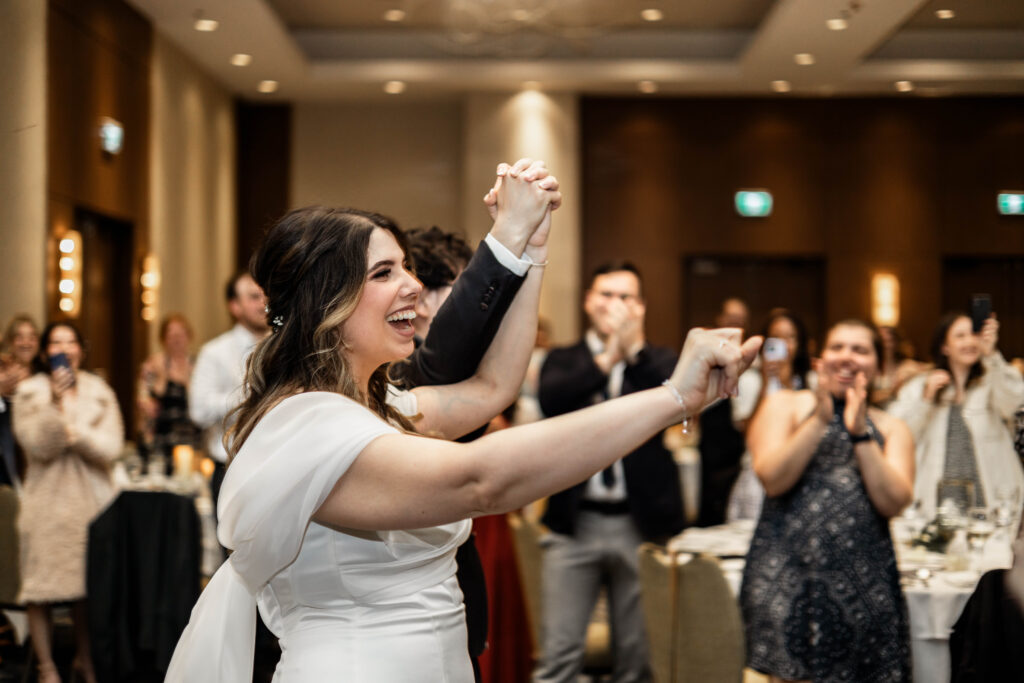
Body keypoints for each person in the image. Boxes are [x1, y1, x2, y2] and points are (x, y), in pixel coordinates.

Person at [166, 163, 761, 683]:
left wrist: (532, 250)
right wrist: (673, 397)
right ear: (328, 303)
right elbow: (482, 480)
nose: (414, 287)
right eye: (384, 273)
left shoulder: (377, 409)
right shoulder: (305, 424)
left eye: (406, 267)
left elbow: (491, 388)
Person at [392, 210, 548, 681]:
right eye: (460, 292)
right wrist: (513, 238)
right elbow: (470, 377)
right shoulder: (399, 374)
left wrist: (531, 253)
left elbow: (497, 388)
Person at [740, 320, 914, 682]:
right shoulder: (784, 405)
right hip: (786, 578)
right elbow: (772, 479)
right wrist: (819, 420)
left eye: (860, 350)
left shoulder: (892, 427)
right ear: (820, 361)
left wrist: (860, 434)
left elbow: (893, 502)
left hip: (864, 588)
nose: (847, 357)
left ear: (878, 366)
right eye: (837, 347)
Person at [534, 260, 682, 683]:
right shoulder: (563, 359)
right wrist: (608, 358)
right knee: (558, 655)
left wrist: (631, 352)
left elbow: (675, 402)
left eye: (626, 297)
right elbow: (553, 399)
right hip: (573, 523)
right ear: (588, 302)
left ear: (641, 307)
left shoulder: (658, 361)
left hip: (640, 525)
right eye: (606, 295)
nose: (615, 305)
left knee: (638, 659)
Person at [12, 322, 123, 683]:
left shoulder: (100, 391)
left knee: (86, 592)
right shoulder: (29, 392)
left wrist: (76, 434)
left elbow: (110, 448)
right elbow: (37, 447)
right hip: (45, 504)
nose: (64, 348)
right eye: (56, 342)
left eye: (71, 341)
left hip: (91, 504)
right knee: (39, 588)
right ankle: (46, 667)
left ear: (81, 350)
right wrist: (57, 407)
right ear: (46, 353)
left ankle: (84, 661)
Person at [888, 312, 1024, 518]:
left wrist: (992, 355)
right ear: (944, 346)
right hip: (936, 493)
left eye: (974, 335)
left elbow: (1014, 401)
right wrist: (926, 399)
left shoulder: (991, 381)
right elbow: (898, 434)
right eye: (960, 336)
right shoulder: (921, 384)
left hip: (989, 491)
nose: (969, 341)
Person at [189, 272, 269, 514]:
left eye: (266, 296)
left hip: (275, 465)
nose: (264, 303)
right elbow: (199, 411)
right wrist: (253, 396)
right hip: (230, 467)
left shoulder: (285, 347)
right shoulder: (214, 352)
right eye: (254, 297)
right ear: (235, 306)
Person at [726, 309, 812, 522]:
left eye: (790, 337)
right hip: (757, 475)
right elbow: (747, 432)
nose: (785, 344)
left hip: (802, 473)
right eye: (777, 338)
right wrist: (767, 384)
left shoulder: (812, 381)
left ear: (800, 343)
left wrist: (786, 383)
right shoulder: (749, 381)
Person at [694, 298, 750, 526]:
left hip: (739, 443)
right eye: (730, 318)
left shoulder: (750, 360)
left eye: (739, 320)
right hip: (711, 442)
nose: (733, 323)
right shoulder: (703, 354)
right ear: (720, 319)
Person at [137, 313, 200, 462]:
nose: (177, 339)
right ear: (163, 338)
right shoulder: (153, 364)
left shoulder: (197, 366)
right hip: (161, 440)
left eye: (181, 334)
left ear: (189, 336)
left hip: (191, 440)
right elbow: (142, 398)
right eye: (172, 334)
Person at [0, 314, 39, 489]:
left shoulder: (43, 375)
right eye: (19, 337)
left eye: (31, 337)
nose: (26, 343)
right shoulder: (3, 374)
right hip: (9, 459)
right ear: (10, 341)